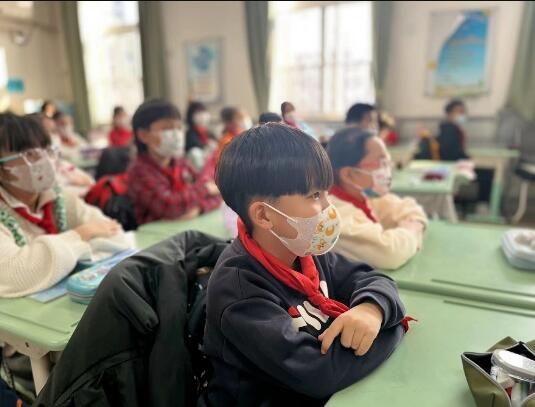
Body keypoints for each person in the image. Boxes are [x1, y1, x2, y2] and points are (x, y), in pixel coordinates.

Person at [200, 123, 407, 405]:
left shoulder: (304, 251)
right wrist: (392, 326)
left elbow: (374, 279)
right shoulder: (239, 290)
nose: (328, 207)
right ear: (264, 215)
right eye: (314, 195)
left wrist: (371, 310)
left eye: (325, 193)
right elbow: (320, 373)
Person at [0, 112, 129, 297]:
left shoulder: (58, 197)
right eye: (29, 154)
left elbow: (114, 234)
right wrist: (82, 234)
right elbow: (15, 273)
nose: (44, 159)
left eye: (47, 149)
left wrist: (57, 258)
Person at [327, 127, 427, 270]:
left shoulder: (365, 195)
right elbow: (390, 253)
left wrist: (408, 233)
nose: (387, 170)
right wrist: (412, 230)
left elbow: (410, 208)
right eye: (381, 163)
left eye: (387, 162)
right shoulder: (334, 217)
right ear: (349, 174)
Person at [127, 99, 222, 225]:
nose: (176, 134)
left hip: (188, 227)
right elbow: (170, 207)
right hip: (157, 234)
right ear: (143, 135)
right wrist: (205, 190)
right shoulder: (139, 171)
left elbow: (218, 194)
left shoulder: (179, 163)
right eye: (167, 128)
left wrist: (199, 209)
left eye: (179, 128)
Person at [27, 113, 94, 194]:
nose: (54, 136)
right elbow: (56, 192)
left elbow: (91, 182)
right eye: (49, 131)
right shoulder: (34, 170)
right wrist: (74, 181)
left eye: (54, 131)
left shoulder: (60, 162)